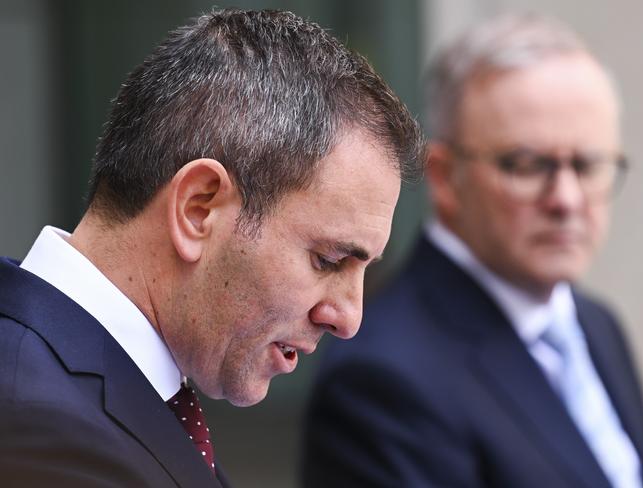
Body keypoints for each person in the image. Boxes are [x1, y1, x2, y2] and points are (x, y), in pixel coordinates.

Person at [0, 8, 424, 488]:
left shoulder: (80, 392)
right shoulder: (35, 419)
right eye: (328, 260)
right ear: (198, 208)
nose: (349, 319)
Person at [302, 13, 643, 488]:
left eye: (588, 164)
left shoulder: (594, 323)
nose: (566, 200)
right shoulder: (384, 376)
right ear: (445, 177)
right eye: (528, 164)